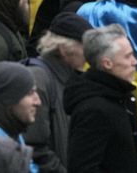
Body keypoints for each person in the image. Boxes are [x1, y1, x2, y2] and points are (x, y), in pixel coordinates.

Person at [62, 25, 137, 173]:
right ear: (107, 63)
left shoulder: (122, 97)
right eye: (128, 56)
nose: (135, 61)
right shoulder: (94, 110)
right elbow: (83, 167)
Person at [24, 12, 89, 173]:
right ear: (63, 48)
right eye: (84, 46)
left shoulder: (71, 78)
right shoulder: (38, 80)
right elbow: (34, 147)